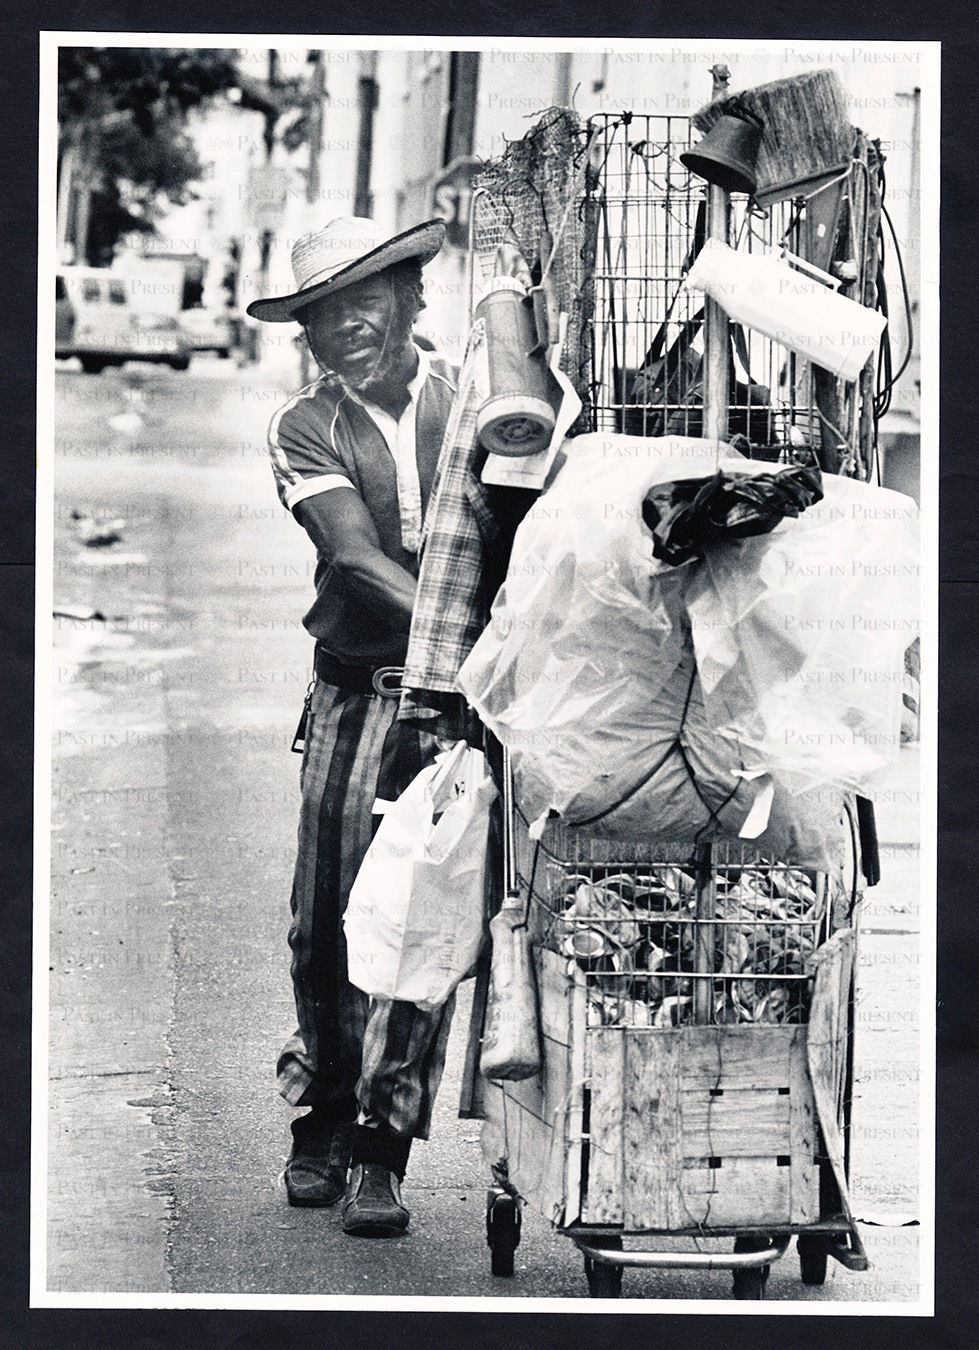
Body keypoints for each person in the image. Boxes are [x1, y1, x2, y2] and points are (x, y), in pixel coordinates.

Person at [246, 217, 459, 1238]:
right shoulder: (304, 426)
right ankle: (322, 1117)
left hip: (455, 712)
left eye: (366, 300)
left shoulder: (481, 402)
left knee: (422, 923)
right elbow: (357, 560)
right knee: (324, 919)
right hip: (354, 692)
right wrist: (467, 638)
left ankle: (383, 1147)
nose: (348, 326)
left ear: (409, 293)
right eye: (325, 314)